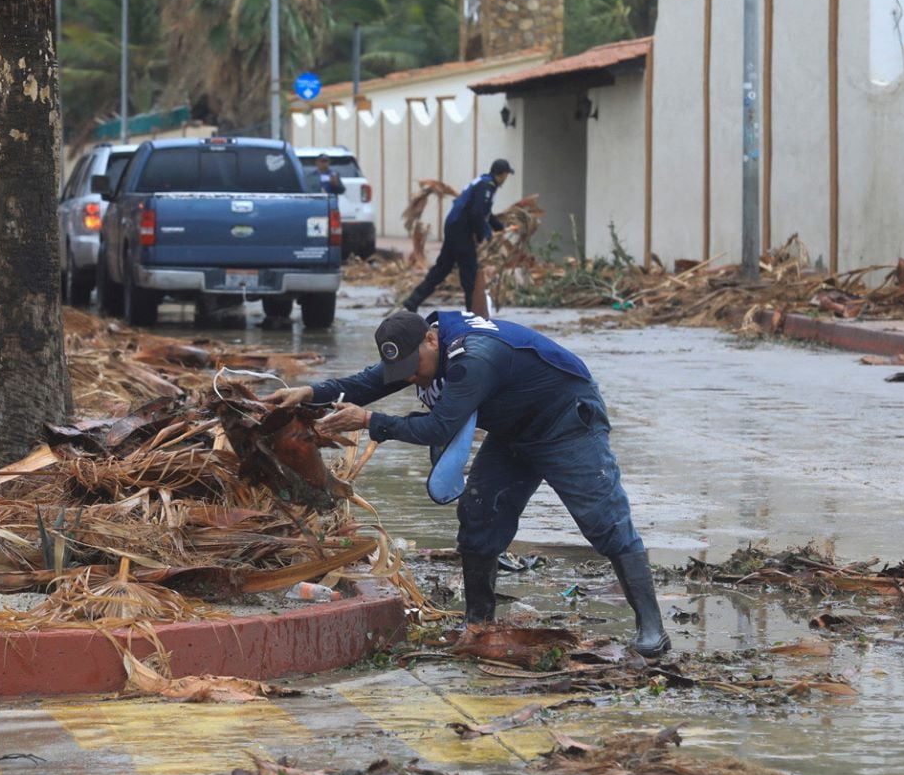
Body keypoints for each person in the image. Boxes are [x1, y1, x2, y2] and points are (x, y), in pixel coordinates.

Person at [268, 308, 670, 656]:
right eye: (403, 372)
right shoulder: (424, 351)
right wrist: (309, 393)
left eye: (414, 369)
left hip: (565, 422)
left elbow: (438, 426)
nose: (411, 380)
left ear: (431, 338)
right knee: (479, 516)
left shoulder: (475, 356)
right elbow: (371, 382)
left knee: (603, 520)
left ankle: (652, 630)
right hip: (514, 431)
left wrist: (371, 422)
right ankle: (479, 625)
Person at [402, 158, 512, 313]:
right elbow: (476, 214)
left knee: (442, 268)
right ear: (501, 174)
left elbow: (484, 213)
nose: (505, 179)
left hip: (454, 226)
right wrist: (483, 235)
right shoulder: (487, 186)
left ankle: (413, 300)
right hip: (461, 230)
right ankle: (473, 313)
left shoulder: (482, 182)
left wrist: (499, 227)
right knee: (469, 271)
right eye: (506, 175)